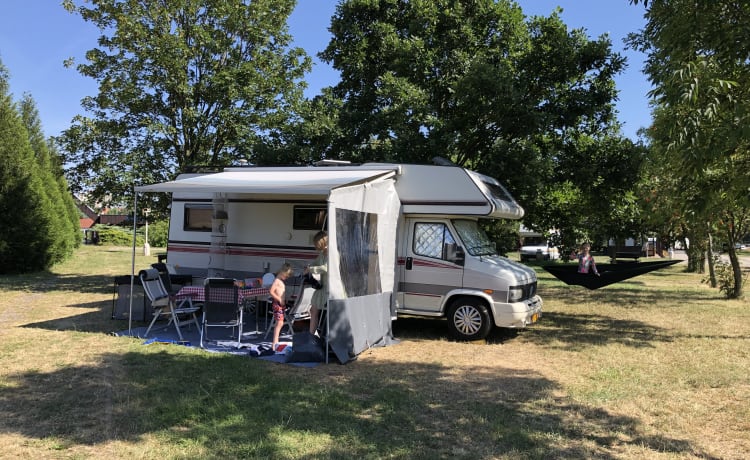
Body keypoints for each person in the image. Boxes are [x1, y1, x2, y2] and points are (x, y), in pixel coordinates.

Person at [305, 231, 329, 336]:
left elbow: (327, 268)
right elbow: (316, 263)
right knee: (313, 310)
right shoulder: (322, 253)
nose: (316, 246)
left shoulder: (331, 252)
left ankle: (314, 335)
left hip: (331, 287)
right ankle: (312, 335)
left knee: (318, 311)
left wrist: (311, 269)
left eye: (317, 244)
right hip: (323, 286)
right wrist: (308, 267)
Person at [269, 263, 294, 351]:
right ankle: (274, 343)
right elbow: (271, 291)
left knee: (280, 322)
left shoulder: (280, 281)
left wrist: (284, 300)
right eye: (286, 276)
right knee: (279, 323)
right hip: (277, 304)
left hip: (281, 305)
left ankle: (276, 342)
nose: (286, 278)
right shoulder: (276, 281)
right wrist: (279, 299)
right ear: (282, 272)